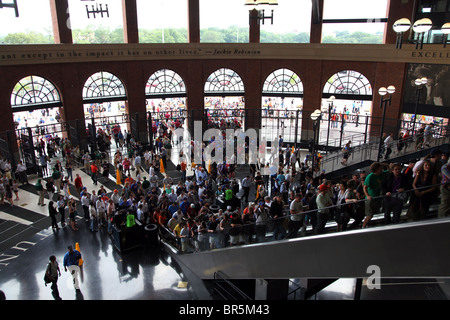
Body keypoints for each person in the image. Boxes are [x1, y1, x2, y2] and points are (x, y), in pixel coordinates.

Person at [362, 162, 390, 228]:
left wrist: (383, 164)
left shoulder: (382, 174)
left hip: (377, 197)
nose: (381, 169)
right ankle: (363, 226)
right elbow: (365, 187)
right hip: (371, 198)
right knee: (369, 215)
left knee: (374, 212)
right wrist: (368, 195)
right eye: (380, 168)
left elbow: (389, 170)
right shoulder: (370, 176)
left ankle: (367, 225)